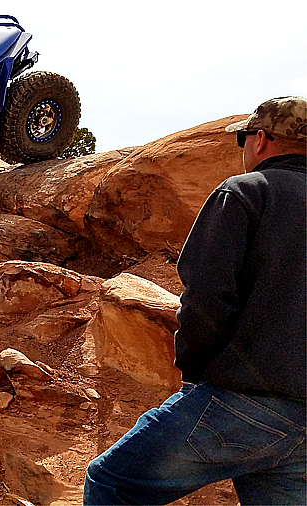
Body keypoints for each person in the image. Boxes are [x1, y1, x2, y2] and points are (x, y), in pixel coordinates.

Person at [83, 96, 307, 505]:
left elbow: (207, 296)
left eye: (243, 139)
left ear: (261, 139)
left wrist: (194, 370)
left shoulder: (246, 192)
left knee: (112, 481)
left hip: (241, 404)